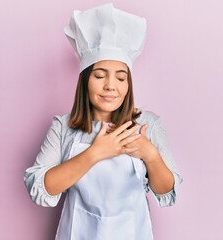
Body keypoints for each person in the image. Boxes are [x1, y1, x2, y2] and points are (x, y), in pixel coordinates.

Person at [24, 3, 183, 239]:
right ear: (85, 81)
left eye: (121, 78)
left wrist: (150, 154)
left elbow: (166, 192)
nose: (110, 86)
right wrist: (96, 153)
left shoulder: (148, 124)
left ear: (128, 84)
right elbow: (43, 188)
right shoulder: (63, 127)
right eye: (99, 75)